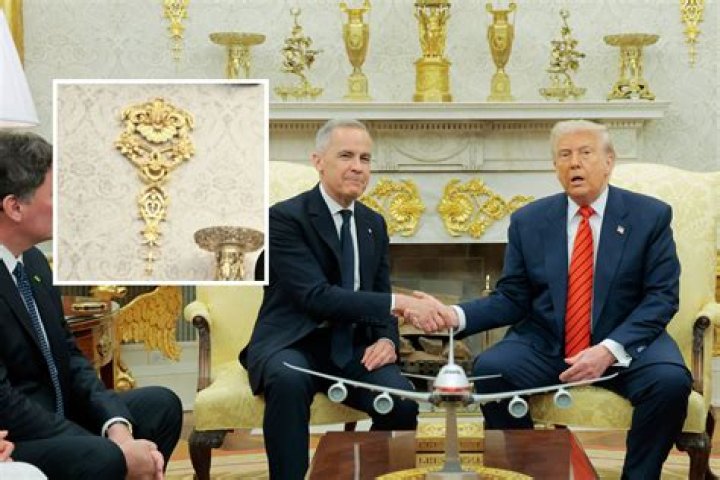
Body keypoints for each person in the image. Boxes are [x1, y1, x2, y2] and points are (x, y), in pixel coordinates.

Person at [408, 120, 692, 479]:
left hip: (627, 342)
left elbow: (661, 297)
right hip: (549, 343)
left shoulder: (649, 216)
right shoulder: (529, 220)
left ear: (609, 161)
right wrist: (454, 315)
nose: (575, 163)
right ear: (555, 166)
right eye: (564, 155)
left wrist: (608, 350)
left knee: (670, 383)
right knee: (492, 370)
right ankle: (527, 471)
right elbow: (512, 297)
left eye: (585, 153)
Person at [240, 119, 440, 479]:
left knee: (402, 402)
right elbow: (316, 296)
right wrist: (400, 303)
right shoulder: (284, 218)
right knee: (287, 381)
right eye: (346, 156)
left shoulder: (373, 223)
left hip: (353, 347)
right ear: (318, 161)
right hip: (294, 342)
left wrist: (386, 339)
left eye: (365, 158)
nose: (358, 167)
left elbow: (378, 291)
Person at [0, 131, 183, 480]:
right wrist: (111, 449)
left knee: (161, 405)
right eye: (54, 195)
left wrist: (117, 428)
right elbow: (5, 402)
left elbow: (70, 357)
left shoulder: (33, 262)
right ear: (15, 207)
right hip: (19, 437)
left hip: (59, 414)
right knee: (106, 456)